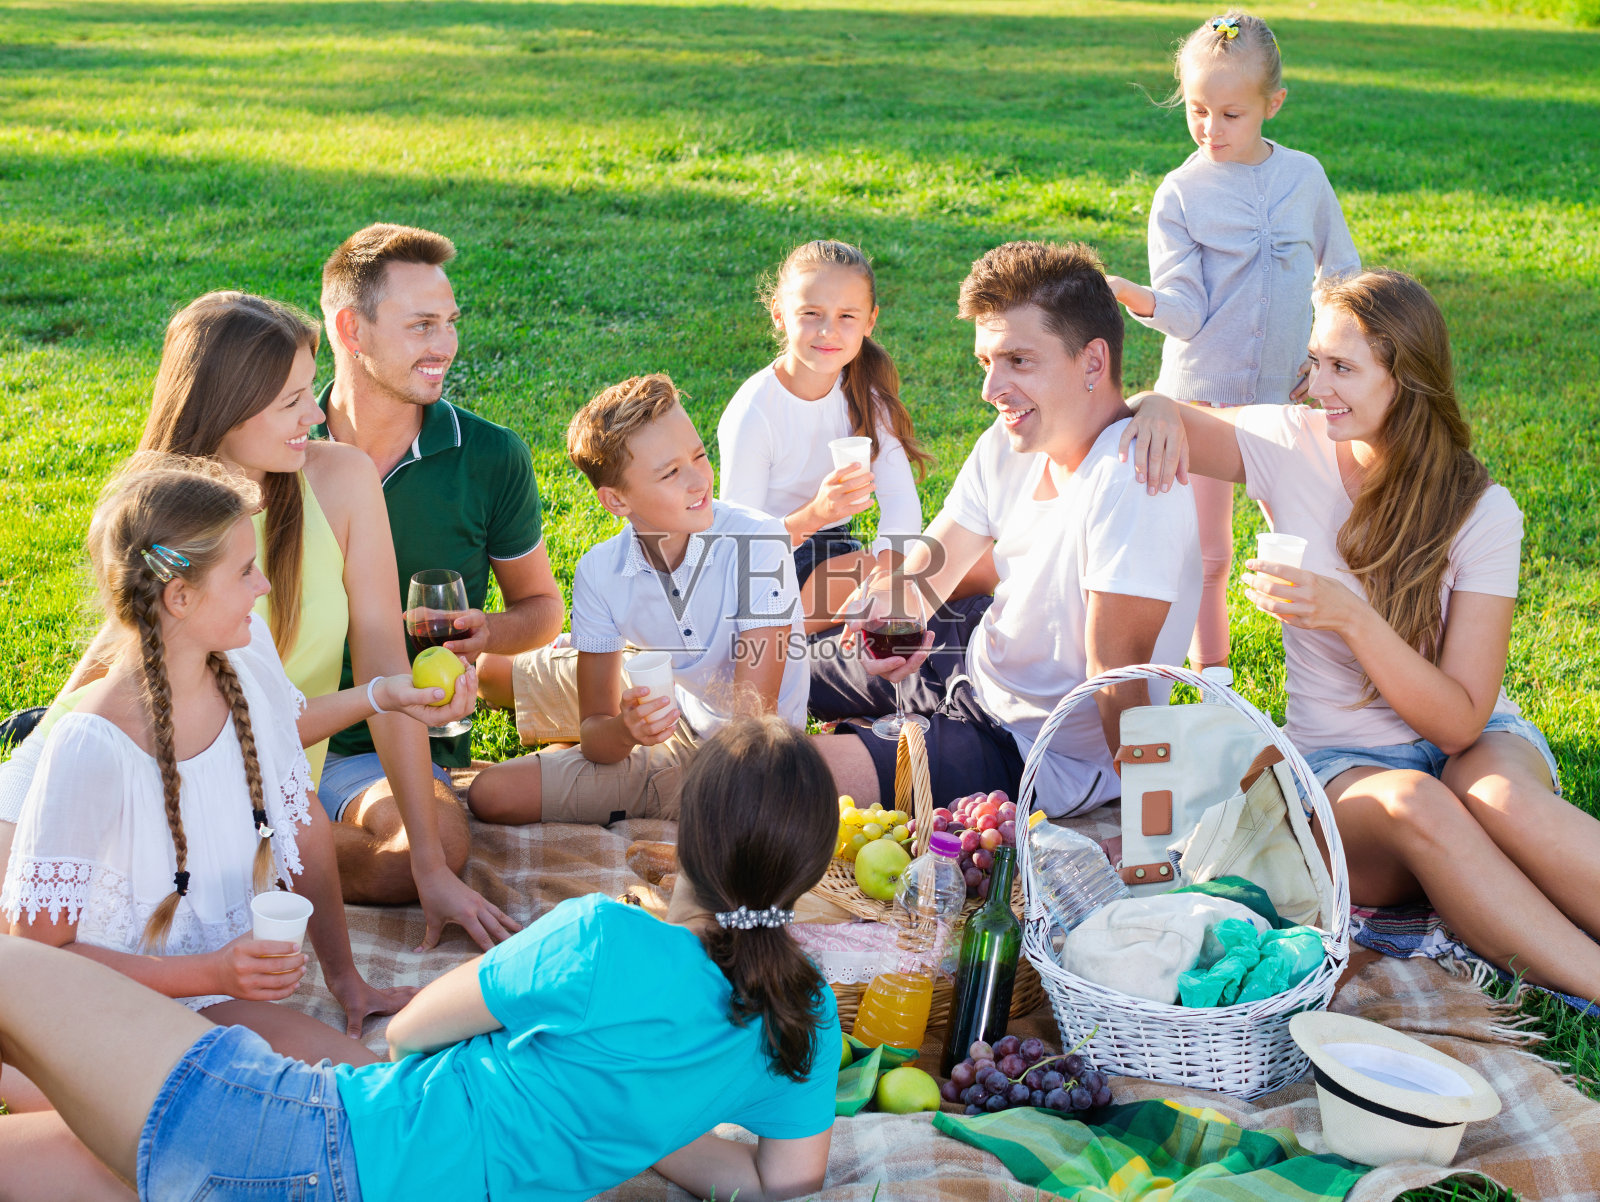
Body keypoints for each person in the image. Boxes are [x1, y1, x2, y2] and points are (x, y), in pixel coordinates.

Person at [0, 715, 840, 1202]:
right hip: (315, 1161)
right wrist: (637, 1114)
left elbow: (409, 1033)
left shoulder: (604, 937)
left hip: (310, 1142)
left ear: (683, 840)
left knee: (17, 972)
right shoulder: (809, 1014)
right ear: (806, 871)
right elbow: (774, 1186)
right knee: (98, 1123)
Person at [1120, 268, 1600, 1001]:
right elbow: (1152, 419)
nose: (1316, 386)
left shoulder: (1482, 510)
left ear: (1406, 379)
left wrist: (1348, 615)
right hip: (1344, 770)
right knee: (1418, 802)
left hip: (1467, 736)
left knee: (1500, 800)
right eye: (1315, 362)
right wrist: (1154, 402)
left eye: (1343, 368)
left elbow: (1461, 719)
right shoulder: (1289, 444)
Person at [0, 455, 463, 1201]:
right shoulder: (92, 745)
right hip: (89, 1024)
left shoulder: (242, 665)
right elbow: (33, 968)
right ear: (179, 596)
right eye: (247, 570)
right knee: (220, 1168)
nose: (267, 585)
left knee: (371, 1108)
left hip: (205, 1002)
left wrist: (346, 979)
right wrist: (209, 972)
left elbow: (303, 828)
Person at [0, 293, 467, 918]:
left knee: (432, 844)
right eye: (292, 402)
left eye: (310, 389)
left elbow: (384, 664)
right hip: (163, 781)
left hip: (276, 785)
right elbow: (113, 668)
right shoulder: (162, 507)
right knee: (28, 913)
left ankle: (259, 871)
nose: (316, 414)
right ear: (227, 410)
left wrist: (431, 868)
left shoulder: (343, 481)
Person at [810, 241, 1201, 815]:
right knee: (777, 674)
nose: (990, 390)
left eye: (1019, 361)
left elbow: (1117, 680)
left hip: (1029, 749)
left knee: (789, 780)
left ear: (1093, 362)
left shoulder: (1135, 480)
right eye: (986, 362)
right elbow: (928, 570)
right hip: (966, 657)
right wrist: (892, 620)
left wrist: (1153, 834)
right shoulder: (1010, 441)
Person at [311, 223, 563, 940]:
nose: (446, 346)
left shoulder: (489, 456)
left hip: (387, 751)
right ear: (351, 329)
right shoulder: (283, 444)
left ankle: (220, 856)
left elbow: (542, 608)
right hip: (270, 725)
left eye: (450, 323)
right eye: (422, 325)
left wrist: (492, 636)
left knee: (428, 854)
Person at [1103, 9, 1359, 671]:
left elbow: (1342, 275)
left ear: (1273, 104)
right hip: (1203, 402)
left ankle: (1323, 675)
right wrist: (1138, 297)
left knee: (1310, 546)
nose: (1210, 129)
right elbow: (1186, 313)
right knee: (1209, 553)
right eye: (1196, 110)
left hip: (1291, 401)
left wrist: (1324, 363)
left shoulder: (1306, 178)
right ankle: (1215, 680)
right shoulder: (1180, 194)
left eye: (1230, 114)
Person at [467, 374, 807, 826]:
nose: (699, 480)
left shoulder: (761, 543)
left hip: (727, 755)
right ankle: (556, 732)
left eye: (699, 456)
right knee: (490, 675)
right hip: (666, 690)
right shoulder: (600, 572)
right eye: (670, 472)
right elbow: (597, 735)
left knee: (495, 795)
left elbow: (753, 724)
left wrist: (626, 742)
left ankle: (558, 743)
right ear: (615, 500)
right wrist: (623, 731)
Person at [715, 239, 928, 632]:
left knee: (967, 565)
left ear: (870, 321)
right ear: (779, 314)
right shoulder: (754, 412)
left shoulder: (867, 396)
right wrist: (818, 513)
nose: (829, 330)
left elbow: (901, 504)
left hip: (836, 553)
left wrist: (885, 574)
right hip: (770, 570)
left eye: (847, 315)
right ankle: (806, 642)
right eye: (811, 313)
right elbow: (738, 543)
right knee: (925, 577)